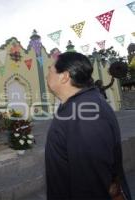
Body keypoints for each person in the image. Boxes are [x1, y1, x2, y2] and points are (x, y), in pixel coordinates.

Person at [45, 52, 131, 200]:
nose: (47, 75)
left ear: (64, 76)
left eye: (50, 70)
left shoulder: (86, 114)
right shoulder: (79, 104)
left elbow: (90, 186)